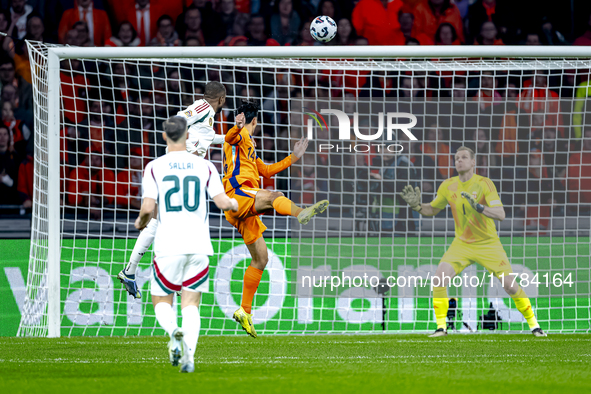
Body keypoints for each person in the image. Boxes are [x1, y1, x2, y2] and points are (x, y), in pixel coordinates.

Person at [399, 146, 547, 338]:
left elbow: (501, 214)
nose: (459, 160)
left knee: (510, 285)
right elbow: (432, 210)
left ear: (473, 162)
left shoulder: (485, 184)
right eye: (456, 158)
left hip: (488, 243)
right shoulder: (447, 186)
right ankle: (441, 328)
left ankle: (535, 326)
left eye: (463, 157)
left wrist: (479, 207)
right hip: (462, 244)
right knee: (439, 279)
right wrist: (418, 206)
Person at [135, 115, 238, 373]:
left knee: (161, 300)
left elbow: (148, 207)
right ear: (188, 135)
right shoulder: (204, 166)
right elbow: (223, 203)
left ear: (164, 136)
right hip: (199, 244)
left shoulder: (154, 167)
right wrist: (237, 204)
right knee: (191, 304)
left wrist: (140, 222)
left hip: (169, 243)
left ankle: (173, 332)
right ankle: (189, 357)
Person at [223, 100, 328, 338]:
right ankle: (300, 212)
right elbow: (229, 138)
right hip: (238, 193)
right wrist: (238, 127)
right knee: (274, 196)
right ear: (255, 121)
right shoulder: (240, 136)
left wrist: (293, 157)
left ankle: (244, 311)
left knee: (261, 258)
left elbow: (266, 171)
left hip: (245, 203)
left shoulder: (249, 143)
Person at [118, 81, 228, 299]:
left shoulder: (206, 116)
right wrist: (182, 148)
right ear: (221, 99)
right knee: (174, 221)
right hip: (179, 169)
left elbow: (206, 137)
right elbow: (179, 119)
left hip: (183, 171)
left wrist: (232, 137)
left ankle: (132, 272)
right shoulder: (203, 107)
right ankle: (164, 277)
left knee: (165, 221)